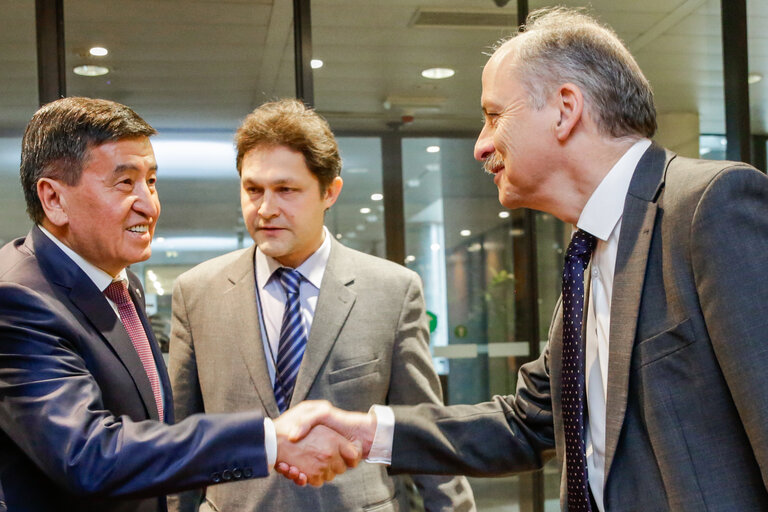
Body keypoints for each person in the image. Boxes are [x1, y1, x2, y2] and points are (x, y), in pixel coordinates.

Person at [281, 7, 768, 511]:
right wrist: (367, 432)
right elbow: (528, 422)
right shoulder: (588, 254)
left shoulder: (712, 206)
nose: (481, 145)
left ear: (564, 108)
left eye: (494, 115)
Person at [0, 97, 360, 512]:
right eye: (124, 183)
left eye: (151, 182)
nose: (149, 205)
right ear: (54, 199)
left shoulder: (120, 283)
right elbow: (87, 456)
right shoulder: (19, 298)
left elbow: (152, 429)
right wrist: (266, 441)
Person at [167, 98, 475, 512]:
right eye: (253, 189)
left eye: (286, 190)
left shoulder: (392, 291)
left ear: (330, 192)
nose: (266, 209)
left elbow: (425, 440)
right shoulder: (196, 292)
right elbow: (180, 437)